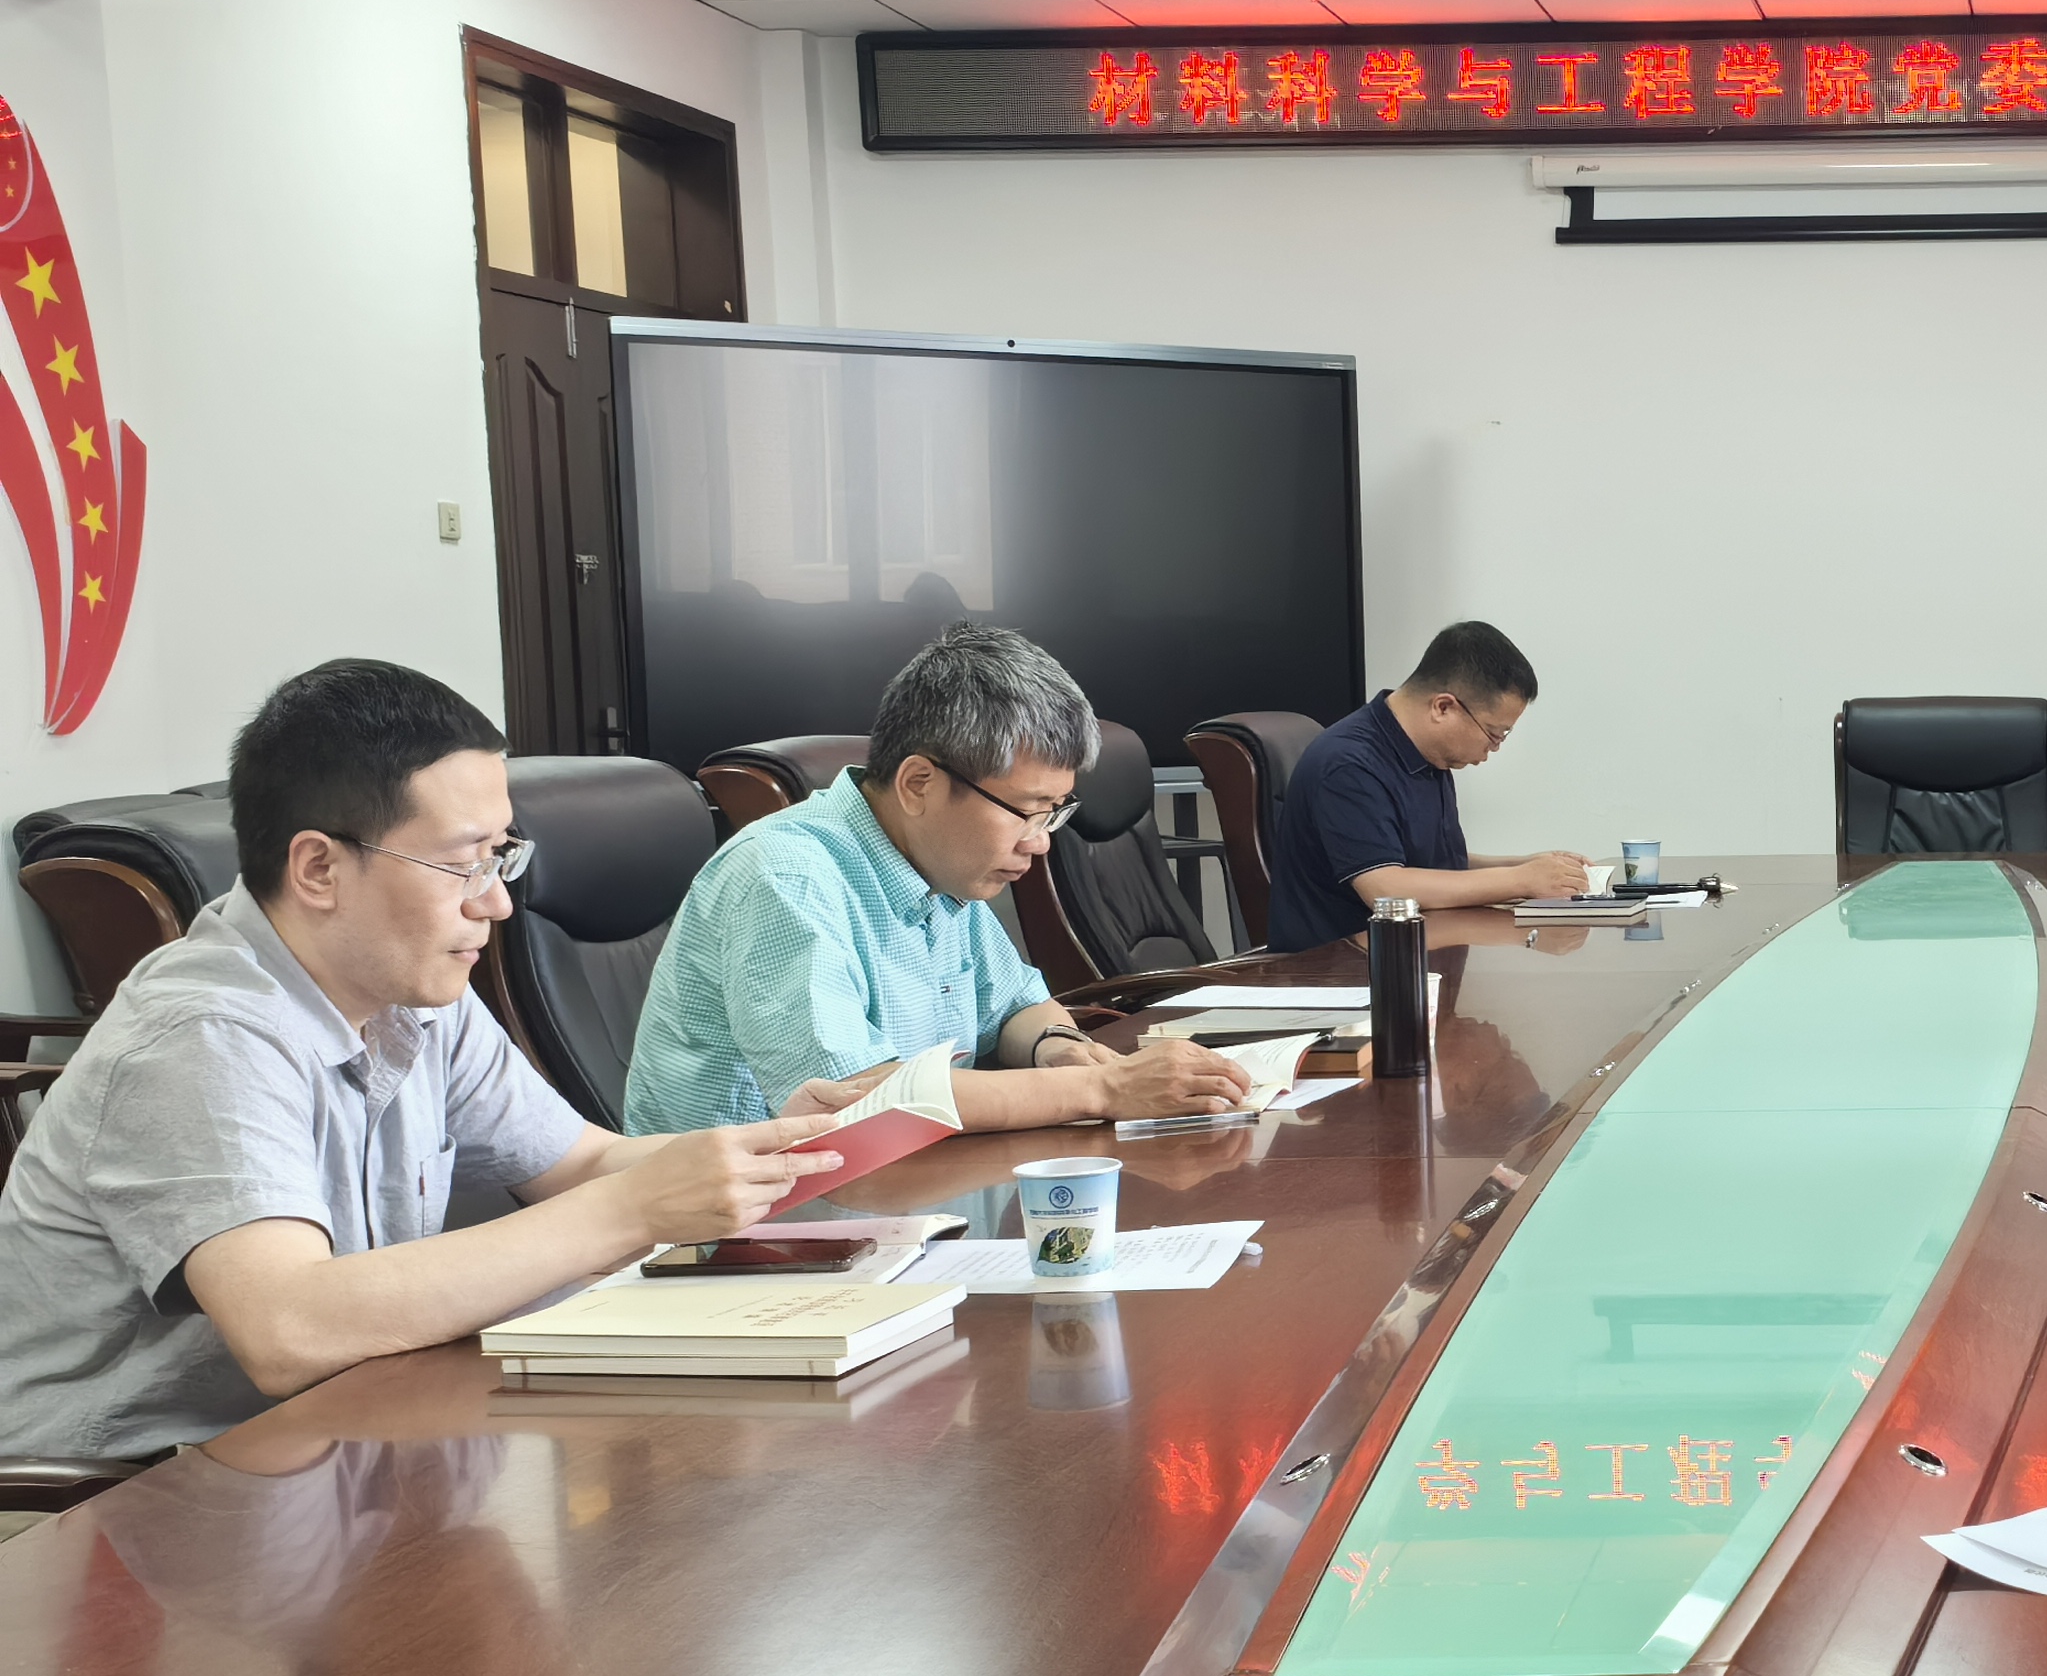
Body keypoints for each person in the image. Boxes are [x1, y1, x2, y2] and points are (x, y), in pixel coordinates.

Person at [0, 661, 842, 1461]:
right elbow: (290, 1328)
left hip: (337, 1439)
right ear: (319, 868)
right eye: (462, 863)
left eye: (501, 855)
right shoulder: (201, 1035)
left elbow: (582, 1165)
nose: (497, 901)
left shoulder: (410, 991)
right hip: (121, 1496)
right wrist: (632, 1210)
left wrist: (795, 1146)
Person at [626, 623, 1254, 1133]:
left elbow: (1015, 1008)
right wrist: (1100, 1088)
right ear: (919, 783)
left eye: (1054, 812)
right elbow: (860, 1101)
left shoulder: (937, 864)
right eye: (1026, 810)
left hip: (896, 1192)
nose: (1039, 841)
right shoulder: (785, 875)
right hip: (749, 1224)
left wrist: (1057, 1047)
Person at [1269, 621, 1593, 951]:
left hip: (1415, 953)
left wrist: (1526, 865)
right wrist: (1521, 880)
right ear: (1443, 707)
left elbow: (1435, 865)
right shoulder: (1348, 763)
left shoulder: (1428, 756)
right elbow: (1386, 888)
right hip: (1336, 966)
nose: (1494, 748)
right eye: (1494, 733)